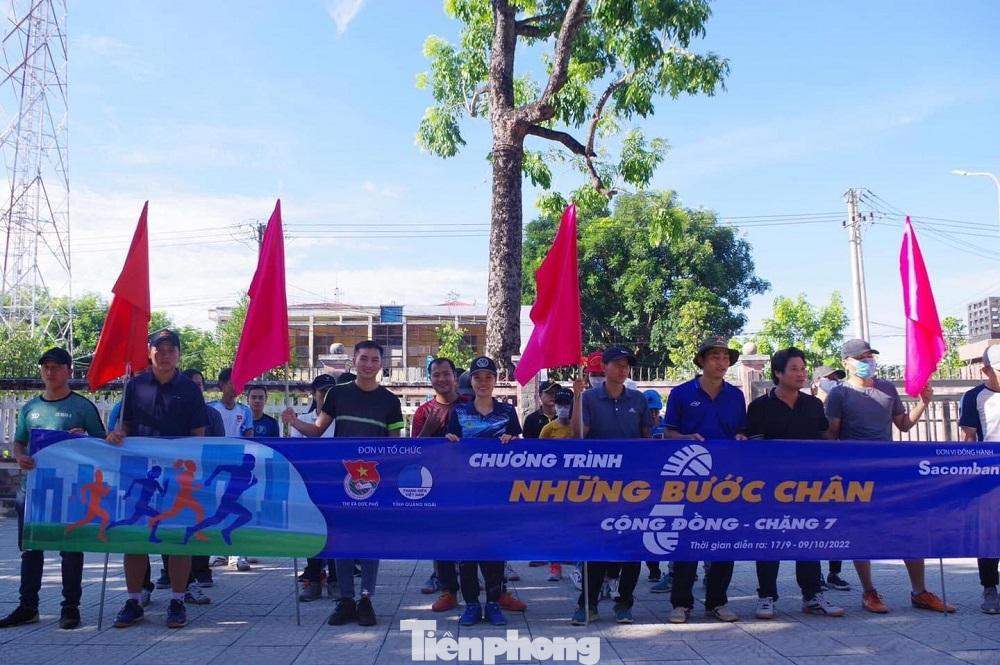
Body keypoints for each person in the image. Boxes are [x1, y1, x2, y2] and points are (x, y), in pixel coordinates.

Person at [825, 338, 952, 614]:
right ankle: (869, 592)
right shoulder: (839, 394)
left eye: (870, 356)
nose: (868, 362)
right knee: (862, 532)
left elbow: (904, 425)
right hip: (856, 477)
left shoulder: (887, 388)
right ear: (846, 362)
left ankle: (919, 591)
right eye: (861, 358)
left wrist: (924, 403)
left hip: (890, 474)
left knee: (910, 527)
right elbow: (831, 436)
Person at [283, 340, 404, 627]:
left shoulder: (390, 401)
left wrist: (386, 480)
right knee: (343, 539)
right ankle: (346, 600)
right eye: (364, 358)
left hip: (374, 483)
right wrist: (293, 421)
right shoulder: (338, 394)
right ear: (354, 361)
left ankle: (365, 599)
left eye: (375, 359)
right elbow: (316, 431)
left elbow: (394, 446)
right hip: (343, 480)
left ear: (381, 365)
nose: (369, 364)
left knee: (370, 542)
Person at [106, 329, 207, 629]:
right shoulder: (134, 386)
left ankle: (177, 599)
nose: (164, 355)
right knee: (135, 539)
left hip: (177, 478)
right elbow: (123, 427)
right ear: (149, 352)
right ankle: (134, 600)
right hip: (141, 474)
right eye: (158, 349)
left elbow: (198, 436)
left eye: (170, 350)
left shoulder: (190, 389)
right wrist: (116, 435)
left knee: (177, 539)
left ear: (178, 354)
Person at [0, 348, 106, 630]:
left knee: (70, 548)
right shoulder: (30, 408)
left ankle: (71, 607)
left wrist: (83, 439)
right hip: (33, 489)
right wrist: (19, 456)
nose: (50, 371)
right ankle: (27, 606)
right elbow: (19, 442)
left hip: (69, 490)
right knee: (31, 548)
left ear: (69, 371)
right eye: (45, 366)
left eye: (56, 366)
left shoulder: (82, 407)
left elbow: (103, 444)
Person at [746, 347, 845, 618]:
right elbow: (752, 451)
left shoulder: (813, 405)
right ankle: (767, 595)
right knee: (769, 540)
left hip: (808, 487)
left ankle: (813, 594)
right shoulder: (759, 408)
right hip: (770, 488)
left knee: (809, 539)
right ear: (778, 373)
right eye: (794, 369)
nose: (801, 374)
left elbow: (827, 440)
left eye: (803, 369)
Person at [662, 335, 746, 624]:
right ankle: (681, 603)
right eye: (715, 357)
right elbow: (667, 433)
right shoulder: (682, 394)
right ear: (701, 360)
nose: (721, 363)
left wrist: (740, 437)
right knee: (687, 540)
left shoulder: (736, 395)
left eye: (726, 358)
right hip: (690, 481)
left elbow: (742, 433)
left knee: (724, 540)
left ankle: (718, 601)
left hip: (726, 481)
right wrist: (685, 438)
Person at [570, 346, 650, 626]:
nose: (623, 369)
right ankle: (588, 604)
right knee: (596, 546)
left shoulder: (638, 400)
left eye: (626, 364)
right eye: (617, 364)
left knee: (631, 546)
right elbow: (578, 435)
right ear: (603, 367)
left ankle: (624, 602)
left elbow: (646, 440)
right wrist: (577, 397)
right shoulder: (589, 398)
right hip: (598, 487)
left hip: (633, 487)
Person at [445, 355, 523, 627]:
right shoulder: (459, 413)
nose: (483, 382)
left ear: (495, 380)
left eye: (488, 377)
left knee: (494, 551)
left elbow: (519, 449)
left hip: (497, 494)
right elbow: (449, 448)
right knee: (467, 553)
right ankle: (471, 605)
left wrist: (511, 440)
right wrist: (450, 441)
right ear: (471, 381)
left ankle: (492, 603)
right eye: (477, 378)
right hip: (466, 494)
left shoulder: (507, 413)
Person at [412, 357, 466, 612]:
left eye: (446, 374)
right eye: (436, 375)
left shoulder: (469, 405)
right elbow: (414, 452)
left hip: (468, 484)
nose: (442, 379)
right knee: (442, 539)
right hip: (437, 486)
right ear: (430, 379)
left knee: (473, 536)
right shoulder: (424, 412)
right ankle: (447, 590)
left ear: (455, 377)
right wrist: (428, 431)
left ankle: (482, 590)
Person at [289, 373, 339, 602]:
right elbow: (296, 453)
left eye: (331, 391)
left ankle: (336, 579)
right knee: (312, 531)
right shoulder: (301, 419)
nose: (326, 396)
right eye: (322, 392)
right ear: (314, 394)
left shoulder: (342, 421)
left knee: (337, 534)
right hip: (309, 485)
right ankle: (313, 577)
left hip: (337, 484)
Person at [958, 345, 1000, 614]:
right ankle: (990, 588)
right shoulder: (974, 397)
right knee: (989, 534)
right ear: (985, 370)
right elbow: (968, 440)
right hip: (989, 475)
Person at [809, 365, 851, 593]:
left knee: (838, 523)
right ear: (816, 382)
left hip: (839, 471)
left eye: (836, 378)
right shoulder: (808, 406)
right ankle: (814, 577)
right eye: (829, 378)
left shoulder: (842, 402)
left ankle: (835, 573)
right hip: (814, 475)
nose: (834, 381)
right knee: (816, 525)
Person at [539, 387, 575, 582]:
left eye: (567, 404)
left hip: (579, 484)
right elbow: (539, 455)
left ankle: (578, 564)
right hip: (554, 484)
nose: (563, 408)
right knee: (555, 525)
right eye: (560, 404)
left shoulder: (580, 426)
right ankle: (555, 566)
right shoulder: (549, 429)